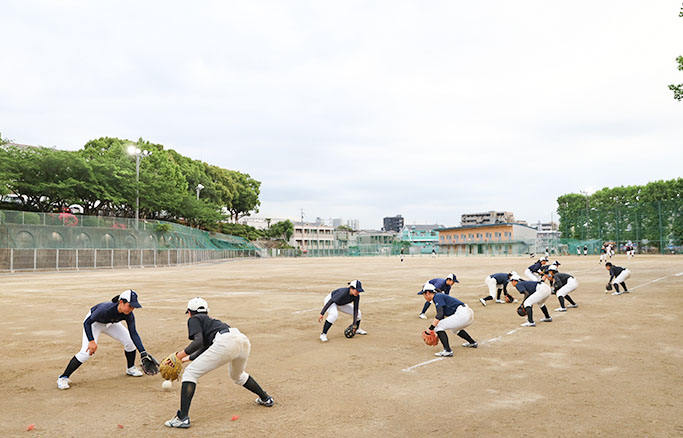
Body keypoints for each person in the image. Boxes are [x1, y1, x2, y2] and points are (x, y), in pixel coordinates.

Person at [164, 297, 273, 429]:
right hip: (242, 340)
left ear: (189, 312)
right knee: (238, 376)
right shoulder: (212, 322)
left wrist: (178, 355)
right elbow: (204, 347)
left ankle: (182, 418)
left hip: (225, 343)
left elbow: (197, 342)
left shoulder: (194, 319)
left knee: (190, 373)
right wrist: (184, 359)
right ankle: (266, 398)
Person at [56, 289, 154, 390]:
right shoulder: (104, 309)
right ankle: (63, 377)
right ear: (121, 302)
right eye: (130, 305)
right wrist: (91, 341)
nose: (131, 309)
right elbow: (87, 323)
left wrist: (143, 352)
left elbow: (133, 333)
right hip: (94, 324)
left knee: (130, 342)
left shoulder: (128, 314)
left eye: (133, 307)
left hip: (111, 323)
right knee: (86, 352)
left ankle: (130, 368)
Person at [418, 282, 478, 357]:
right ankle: (472, 343)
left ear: (427, 293)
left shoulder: (437, 296)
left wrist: (430, 329)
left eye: (423, 294)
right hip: (467, 313)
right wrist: (438, 334)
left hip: (463, 314)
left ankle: (447, 350)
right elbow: (441, 316)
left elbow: (440, 315)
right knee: (454, 329)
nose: (424, 296)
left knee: (438, 326)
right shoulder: (439, 297)